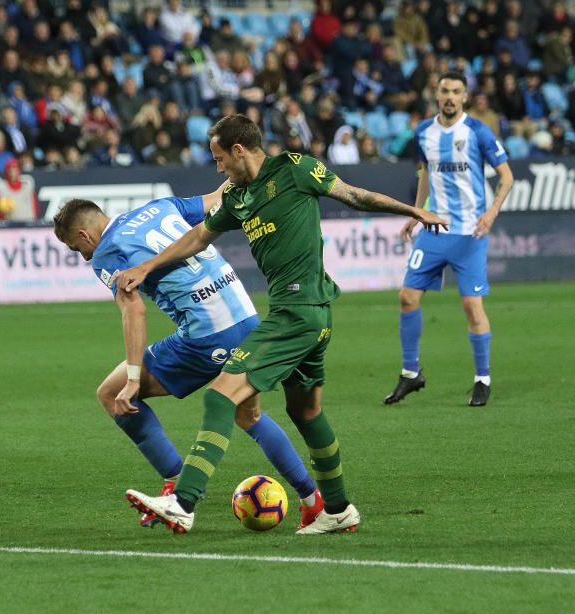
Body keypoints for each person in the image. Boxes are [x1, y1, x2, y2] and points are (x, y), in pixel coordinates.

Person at [115, 113, 448, 534]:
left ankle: (183, 502)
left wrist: (415, 211)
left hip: (298, 311)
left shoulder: (296, 169)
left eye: (220, 159)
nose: (218, 169)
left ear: (239, 151)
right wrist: (148, 266)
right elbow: (198, 237)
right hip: (309, 316)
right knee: (305, 411)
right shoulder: (237, 196)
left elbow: (354, 195)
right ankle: (339, 509)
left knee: (222, 397)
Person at [52, 194, 327, 530]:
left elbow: (134, 311)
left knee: (112, 393)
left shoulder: (108, 250)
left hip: (207, 336)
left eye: (77, 249)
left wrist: (135, 378)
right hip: (247, 319)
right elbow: (220, 196)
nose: (84, 256)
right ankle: (314, 503)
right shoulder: (161, 207)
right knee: (249, 415)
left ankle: (176, 486)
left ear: (84, 235)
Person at [384, 72, 514, 407]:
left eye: (456, 91)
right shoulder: (424, 131)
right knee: (407, 297)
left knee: (472, 306)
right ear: (436, 94)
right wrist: (417, 213)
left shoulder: (477, 132)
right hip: (434, 230)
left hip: (470, 232)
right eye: (445, 91)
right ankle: (411, 374)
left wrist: (492, 213)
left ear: (465, 97)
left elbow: (507, 176)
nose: (450, 97)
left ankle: (482, 378)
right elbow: (425, 171)